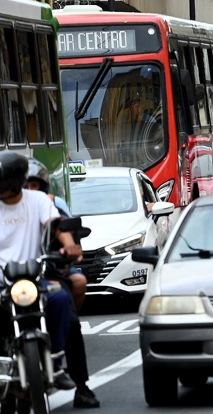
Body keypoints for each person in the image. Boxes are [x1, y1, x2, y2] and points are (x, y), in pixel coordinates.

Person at [0, 152, 82, 397]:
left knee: (60, 299)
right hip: (2, 280)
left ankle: (55, 362)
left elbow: (56, 226)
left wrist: (69, 245)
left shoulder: (37, 200)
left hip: (34, 277)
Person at [23, 159, 100, 408]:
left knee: (70, 318)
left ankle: (81, 385)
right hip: (9, 279)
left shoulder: (49, 206)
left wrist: (70, 248)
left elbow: (67, 233)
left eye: (35, 186)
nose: (30, 191)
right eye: (25, 186)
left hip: (47, 273)